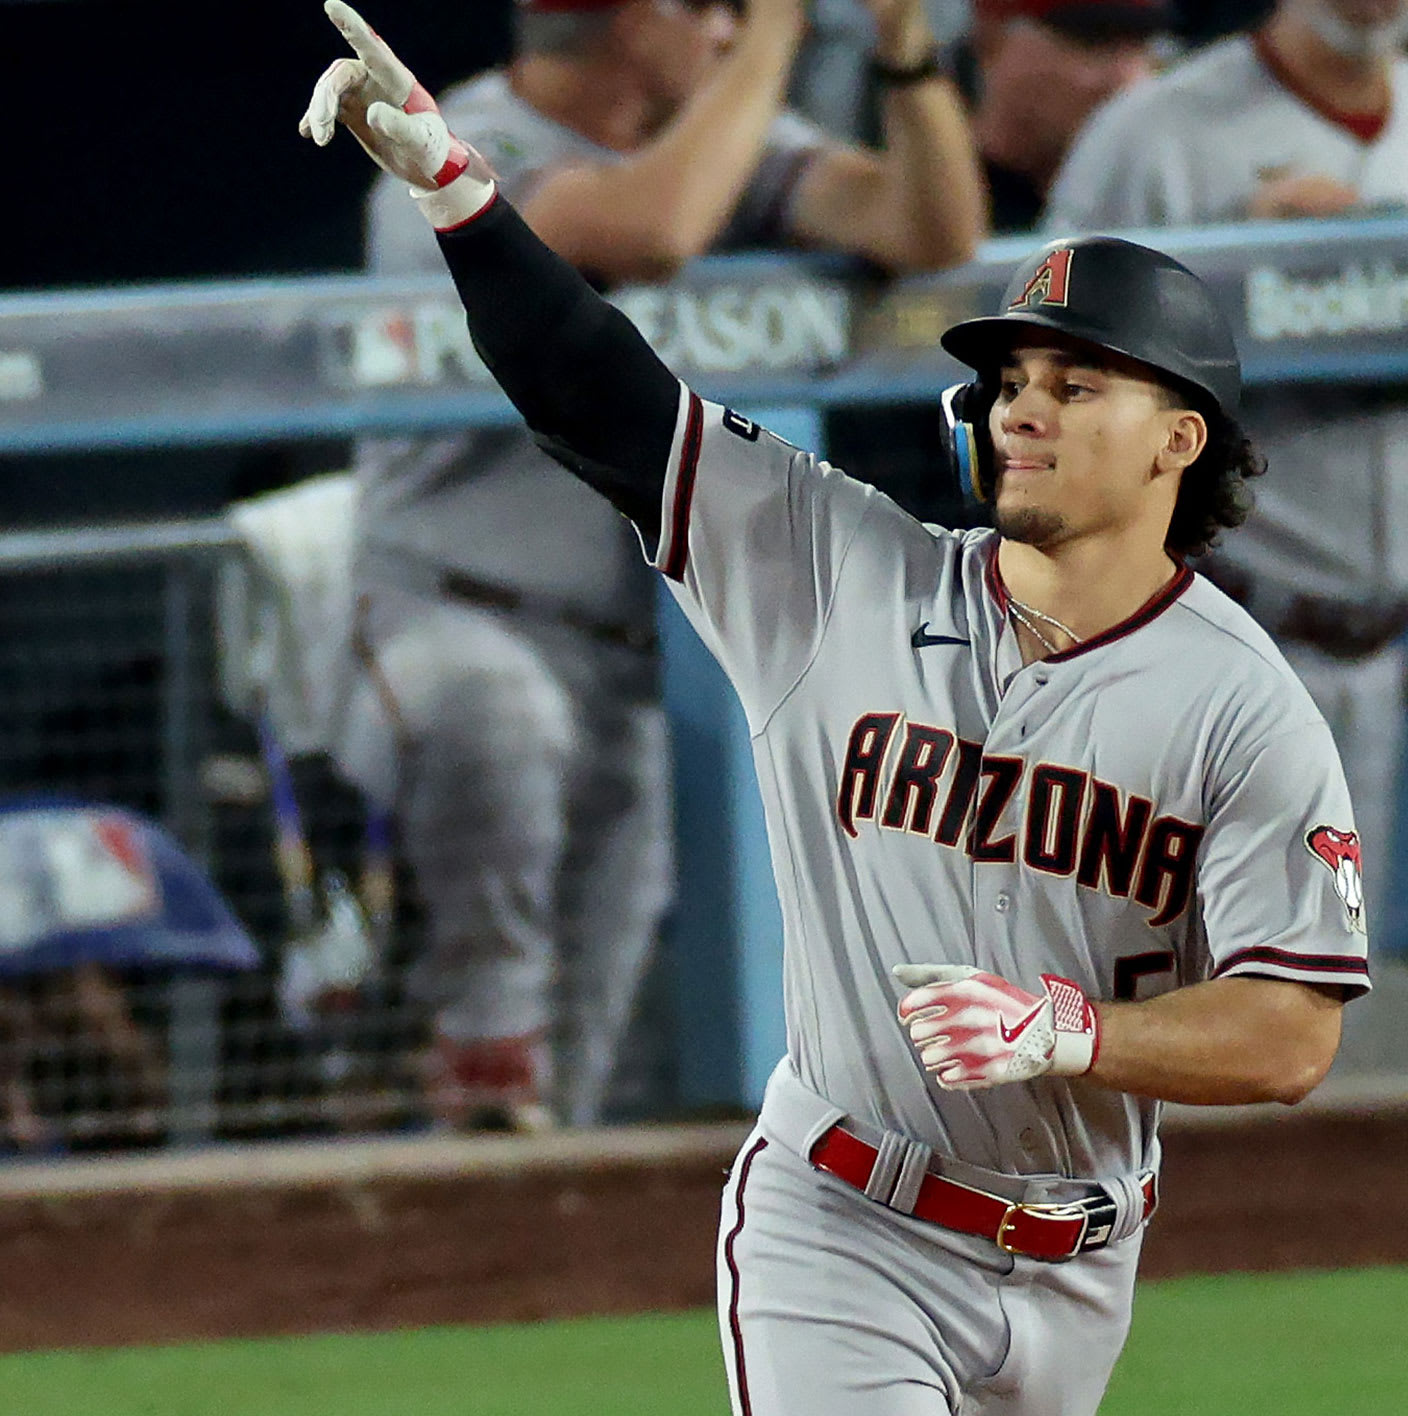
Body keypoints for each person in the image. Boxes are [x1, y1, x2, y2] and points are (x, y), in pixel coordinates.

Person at [302, 6, 1369, 1416]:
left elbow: (1290, 1034)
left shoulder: (1243, 706)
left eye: (1076, 384)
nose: (1022, 412)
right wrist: (460, 196)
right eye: (1011, 383)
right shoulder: (838, 576)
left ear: (1181, 440)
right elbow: (604, 400)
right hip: (840, 1224)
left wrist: (1072, 1032)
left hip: (1079, 1262)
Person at [343, 0, 984, 1130]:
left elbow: (933, 229)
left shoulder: (721, 134)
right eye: (711, 8)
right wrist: (785, 28)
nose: (731, 30)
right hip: (449, 618)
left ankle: (490, 1244)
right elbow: (652, 231)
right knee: (502, 723)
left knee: (569, 1074)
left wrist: (904, 50)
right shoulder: (450, 136)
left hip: (630, 658)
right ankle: (458, 1046)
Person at [1042, 0, 1408, 919]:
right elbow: (1039, 372)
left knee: (1311, 1015)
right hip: (1203, 645)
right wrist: (1229, 265)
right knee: (1166, 994)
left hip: (1376, 651)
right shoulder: (1155, 130)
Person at [967, 0, 1170, 233]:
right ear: (992, 43)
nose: (1127, 79)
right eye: (1093, 42)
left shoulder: (1164, 202)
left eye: (1144, 47)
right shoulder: (928, 202)